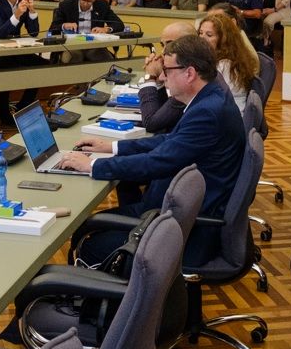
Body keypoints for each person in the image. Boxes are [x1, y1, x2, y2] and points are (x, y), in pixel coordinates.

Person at [55, 34, 244, 264]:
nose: (162, 77)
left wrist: (92, 165)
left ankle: (115, 286)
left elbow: (158, 162)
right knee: (89, 226)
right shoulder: (211, 96)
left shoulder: (207, 112)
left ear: (190, 73)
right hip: (179, 211)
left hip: (185, 228)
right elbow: (169, 141)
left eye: (167, 70)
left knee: (90, 242)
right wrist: (112, 146)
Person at [136, 21, 197, 135]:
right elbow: (162, 116)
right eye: (162, 45)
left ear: (190, 45)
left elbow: (151, 123)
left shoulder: (190, 76)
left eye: (170, 45)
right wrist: (159, 80)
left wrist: (150, 77)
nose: (163, 51)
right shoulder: (190, 67)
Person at [200, 10, 259, 115]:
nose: (201, 38)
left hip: (228, 117)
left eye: (209, 35)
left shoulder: (226, 65)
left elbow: (219, 100)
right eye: (200, 33)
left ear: (223, 39)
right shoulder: (216, 59)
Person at [51, 0, 126, 34]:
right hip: (71, 46)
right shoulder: (66, 5)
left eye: (89, 1)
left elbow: (119, 24)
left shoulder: (102, 5)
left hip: (94, 45)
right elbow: (53, 28)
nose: (85, 4)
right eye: (83, 0)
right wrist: (64, 26)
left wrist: (106, 29)